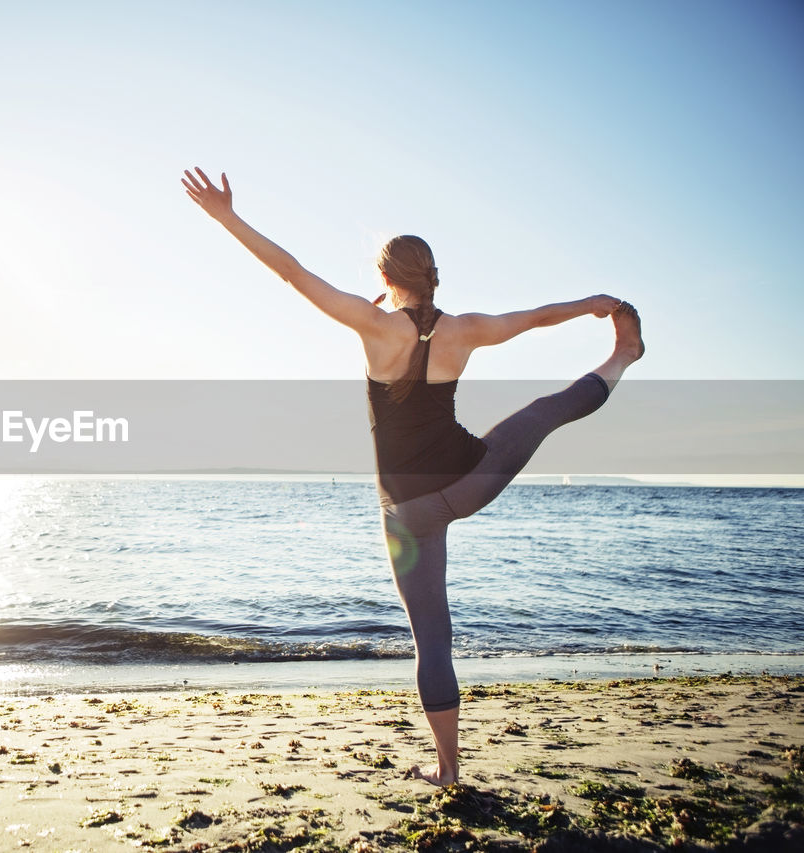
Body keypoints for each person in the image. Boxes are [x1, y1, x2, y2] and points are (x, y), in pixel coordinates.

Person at [181, 166, 644, 786]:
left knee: (433, 640)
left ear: (384, 279)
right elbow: (533, 317)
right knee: (544, 412)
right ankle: (621, 356)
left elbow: (291, 272)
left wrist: (226, 216)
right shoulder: (466, 330)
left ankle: (448, 770)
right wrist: (591, 304)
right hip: (473, 477)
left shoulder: (372, 325)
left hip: (408, 511)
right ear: (432, 276)